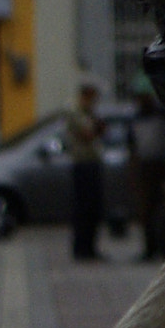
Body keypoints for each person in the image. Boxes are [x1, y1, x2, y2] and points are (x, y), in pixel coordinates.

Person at [128, 82, 165, 260]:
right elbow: (133, 148)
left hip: (160, 165)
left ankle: (163, 247)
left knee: (161, 211)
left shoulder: (162, 117)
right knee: (146, 212)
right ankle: (149, 248)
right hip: (145, 168)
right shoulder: (137, 119)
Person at [65, 79, 104, 261]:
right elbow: (87, 134)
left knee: (93, 209)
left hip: (92, 163)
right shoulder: (76, 112)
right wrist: (98, 128)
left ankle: (90, 247)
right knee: (83, 208)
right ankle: (82, 248)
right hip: (83, 164)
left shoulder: (89, 112)